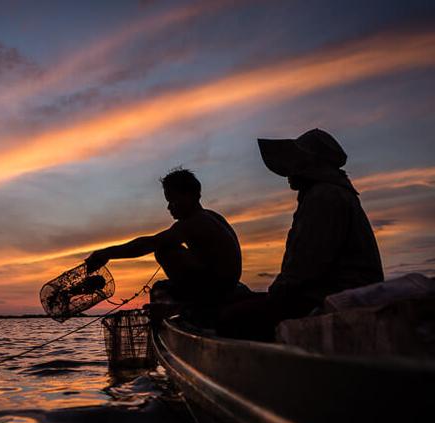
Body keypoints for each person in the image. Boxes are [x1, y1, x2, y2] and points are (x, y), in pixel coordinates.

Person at [218, 128, 384, 341]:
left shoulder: (324, 197)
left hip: (332, 296)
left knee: (230, 318)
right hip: (326, 292)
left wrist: (276, 294)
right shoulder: (329, 194)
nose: (288, 172)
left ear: (309, 165)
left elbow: (306, 265)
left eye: (294, 163)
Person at [85, 168, 242, 320]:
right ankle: (185, 302)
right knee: (162, 284)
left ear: (191, 196)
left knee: (163, 249)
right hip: (225, 284)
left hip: (219, 290)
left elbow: (150, 243)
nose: (169, 207)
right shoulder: (211, 216)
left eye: (172, 201)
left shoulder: (195, 222)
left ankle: (188, 306)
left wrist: (106, 253)